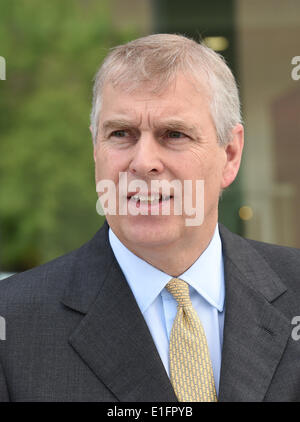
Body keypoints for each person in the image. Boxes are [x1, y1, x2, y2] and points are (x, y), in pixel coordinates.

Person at [0, 34, 300, 402]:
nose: (143, 162)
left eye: (174, 134)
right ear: (96, 150)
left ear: (231, 154)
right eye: (121, 134)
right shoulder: (12, 326)